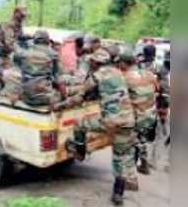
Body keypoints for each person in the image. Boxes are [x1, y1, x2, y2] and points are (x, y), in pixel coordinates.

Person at [53, 48, 136, 206]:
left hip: (110, 121)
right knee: (120, 157)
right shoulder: (119, 73)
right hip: (128, 121)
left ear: (96, 63)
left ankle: (80, 152)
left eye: (92, 61)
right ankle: (118, 193)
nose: (90, 63)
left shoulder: (97, 75)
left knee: (79, 124)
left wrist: (59, 106)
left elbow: (79, 97)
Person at [116, 47, 158, 189]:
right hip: (150, 116)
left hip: (137, 118)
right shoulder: (150, 74)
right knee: (141, 139)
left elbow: (118, 99)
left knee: (127, 148)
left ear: (123, 63)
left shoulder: (125, 78)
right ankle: (144, 165)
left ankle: (129, 182)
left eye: (119, 63)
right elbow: (157, 89)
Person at [14, 30, 60, 107]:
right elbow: (57, 78)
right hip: (44, 97)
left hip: (26, 96)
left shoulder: (23, 53)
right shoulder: (53, 54)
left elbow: (14, 47)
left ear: (34, 40)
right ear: (48, 41)